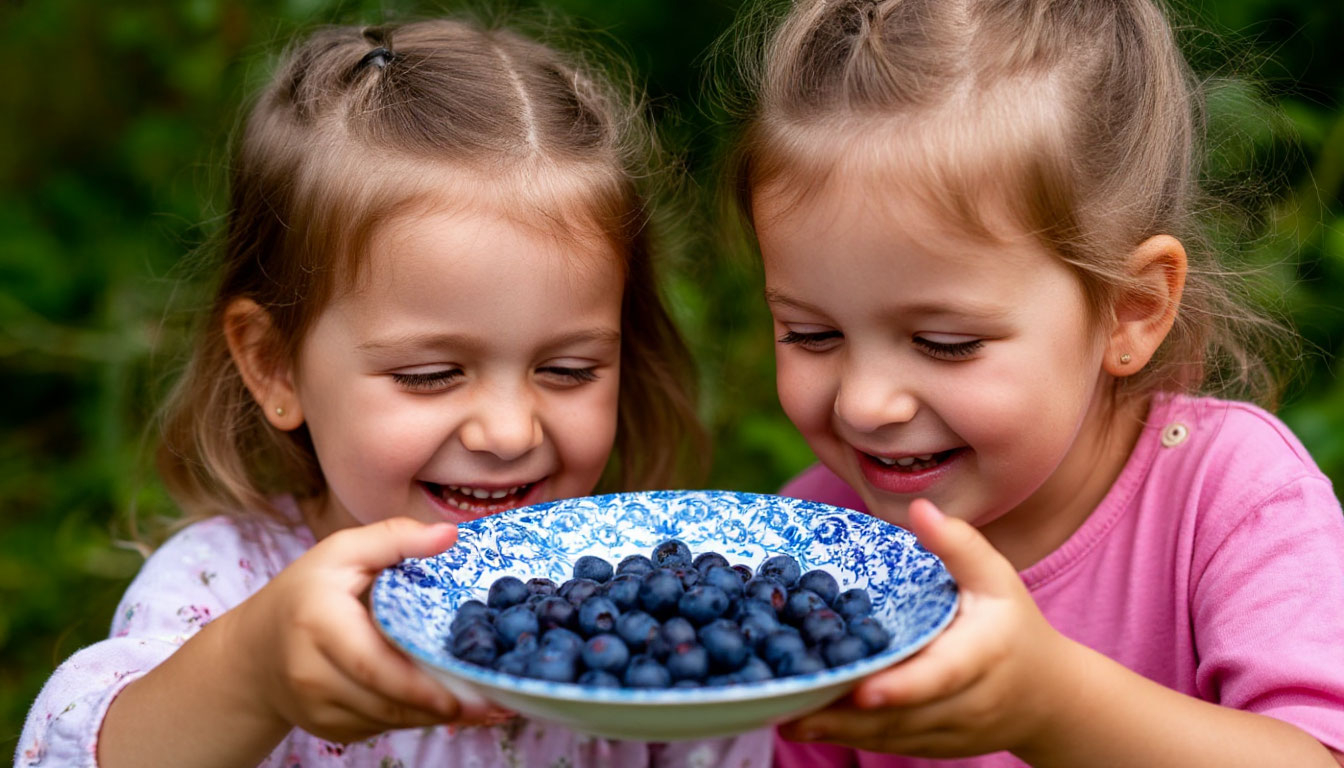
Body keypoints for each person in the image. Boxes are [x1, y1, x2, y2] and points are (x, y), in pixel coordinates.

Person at [17, 16, 769, 768]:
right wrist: (252, 673)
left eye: (568, 371)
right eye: (430, 374)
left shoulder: (649, 606)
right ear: (275, 366)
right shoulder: (228, 588)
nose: (508, 432)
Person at [723, 0, 1344, 765]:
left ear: (1130, 310)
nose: (864, 403)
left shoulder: (1230, 498)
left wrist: (1051, 705)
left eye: (945, 343)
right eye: (812, 334)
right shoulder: (819, 536)